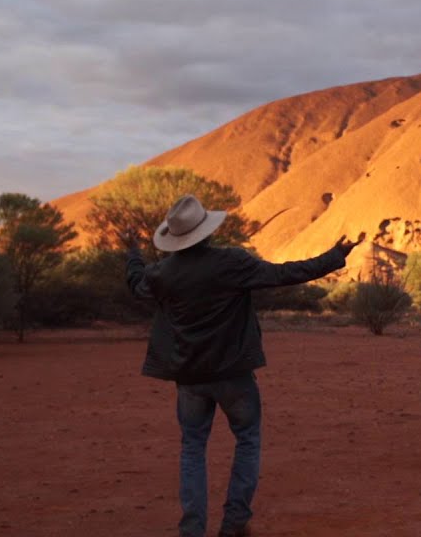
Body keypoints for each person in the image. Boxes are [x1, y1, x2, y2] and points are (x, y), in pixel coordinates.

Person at [125, 194, 364, 537]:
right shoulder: (231, 262)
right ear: (206, 231)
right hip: (234, 373)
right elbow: (286, 274)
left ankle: (192, 529)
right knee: (247, 440)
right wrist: (335, 256)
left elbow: (137, 285)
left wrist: (133, 254)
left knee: (193, 448)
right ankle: (235, 523)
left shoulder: (162, 273)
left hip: (190, 377)